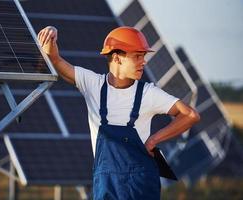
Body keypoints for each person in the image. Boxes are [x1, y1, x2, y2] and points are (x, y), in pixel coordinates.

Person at [38, 26, 200, 199]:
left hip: (140, 188)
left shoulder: (148, 93)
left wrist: (154, 139)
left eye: (143, 56)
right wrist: (51, 32)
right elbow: (56, 60)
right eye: (137, 56)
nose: (143, 61)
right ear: (117, 58)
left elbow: (190, 115)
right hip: (106, 187)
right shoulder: (93, 85)